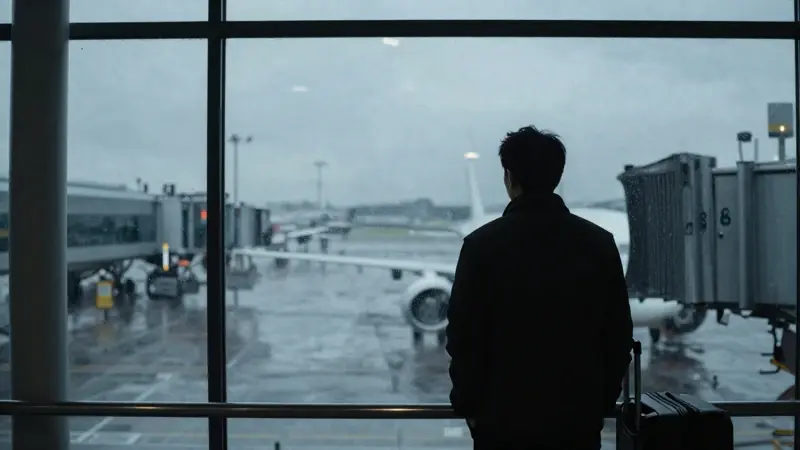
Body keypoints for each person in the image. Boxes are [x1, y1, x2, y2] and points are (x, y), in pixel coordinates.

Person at [445, 125, 634, 450]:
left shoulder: (481, 246)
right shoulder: (599, 244)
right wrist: (600, 403)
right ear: (556, 176)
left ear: (509, 177)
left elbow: (463, 337)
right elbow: (617, 336)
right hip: (575, 423)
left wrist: (470, 408)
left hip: (500, 422)